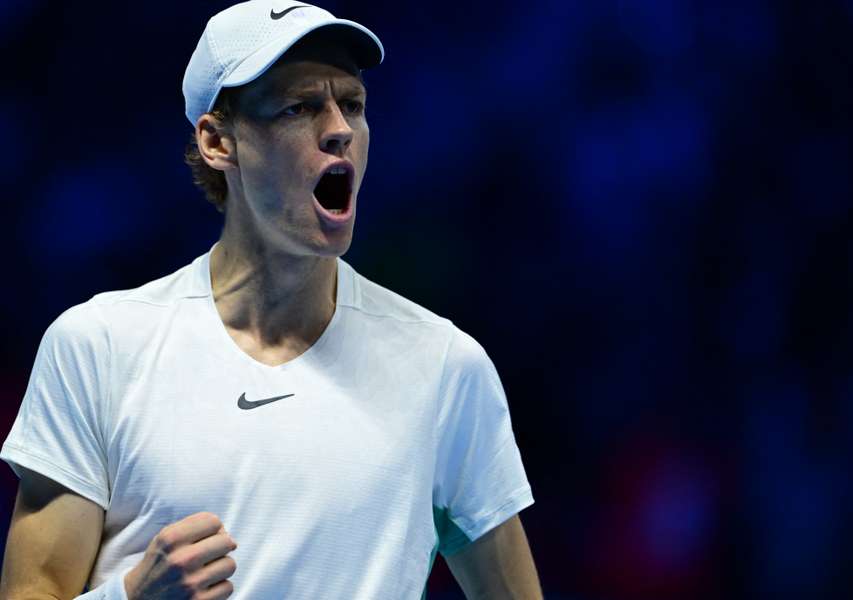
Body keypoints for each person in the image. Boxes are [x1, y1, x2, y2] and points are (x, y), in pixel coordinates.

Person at [0, 1, 542, 599]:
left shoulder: (445, 366)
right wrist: (132, 598)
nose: (338, 128)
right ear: (217, 141)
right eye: (300, 107)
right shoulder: (96, 346)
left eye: (352, 105)